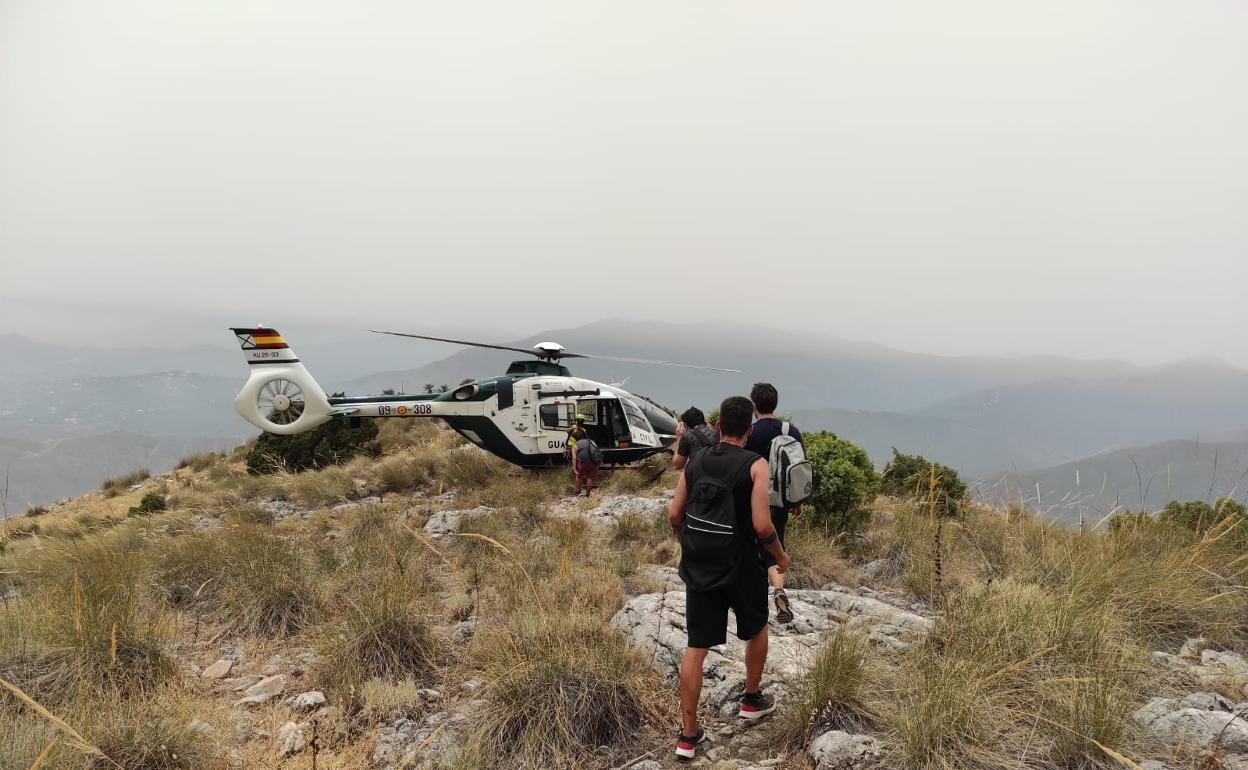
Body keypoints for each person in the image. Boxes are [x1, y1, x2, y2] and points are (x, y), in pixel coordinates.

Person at [668, 396, 790, 760]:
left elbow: (675, 515)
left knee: (696, 647)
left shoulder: (696, 460)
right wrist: (780, 557)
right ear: (749, 431)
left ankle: (688, 737)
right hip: (742, 565)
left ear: (718, 427)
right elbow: (762, 525)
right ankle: (751, 699)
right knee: (757, 628)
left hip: (700, 564)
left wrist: (688, 544)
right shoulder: (756, 465)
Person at [744, 382, 803, 625]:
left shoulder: (751, 432)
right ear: (775, 403)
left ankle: (751, 595)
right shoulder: (791, 431)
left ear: (754, 405)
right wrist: (797, 501)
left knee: (750, 546)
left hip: (752, 500)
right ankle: (778, 590)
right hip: (780, 501)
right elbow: (799, 468)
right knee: (775, 546)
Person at [673, 406, 719, 471]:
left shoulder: (687, 436)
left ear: (685, 425)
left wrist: (679, 438)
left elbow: (677, 465)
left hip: (701, 477)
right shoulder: (716, 432)